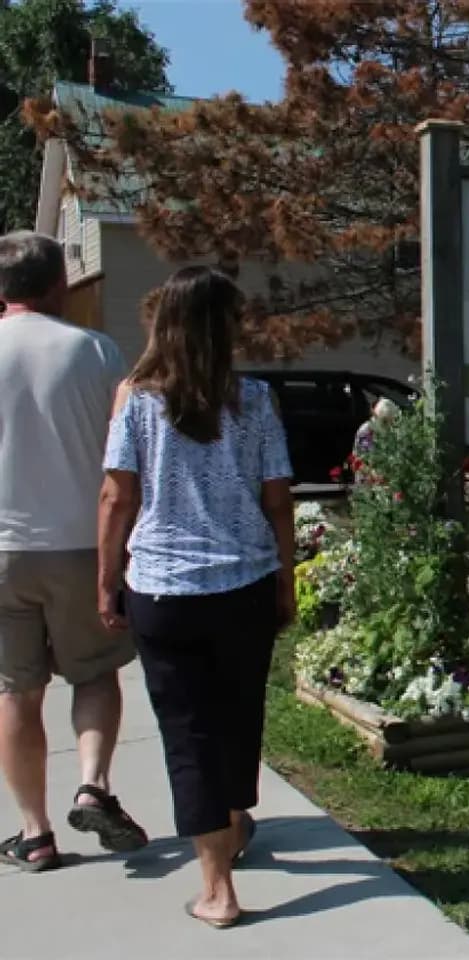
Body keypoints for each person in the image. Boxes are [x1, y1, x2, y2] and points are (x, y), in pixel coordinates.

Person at [98, 266, 296, 928]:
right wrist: (286, 579)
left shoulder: (139, 399)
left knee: (190, 735)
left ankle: (217, 886)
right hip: (243, 584)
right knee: (239, 717)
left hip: (164, 589)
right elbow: (278, 500)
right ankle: (234, 824)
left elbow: (116, 497)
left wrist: (107, 582)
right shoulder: (256, 401)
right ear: (222, 327)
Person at [0, 231, 148, 872]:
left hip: (3, 547)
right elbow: (126, 455)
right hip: (84, 543)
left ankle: (34, 832)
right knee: (95, 672)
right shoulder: (97, 351)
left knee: (15, 692)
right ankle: (93, 784)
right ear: (59, 283)